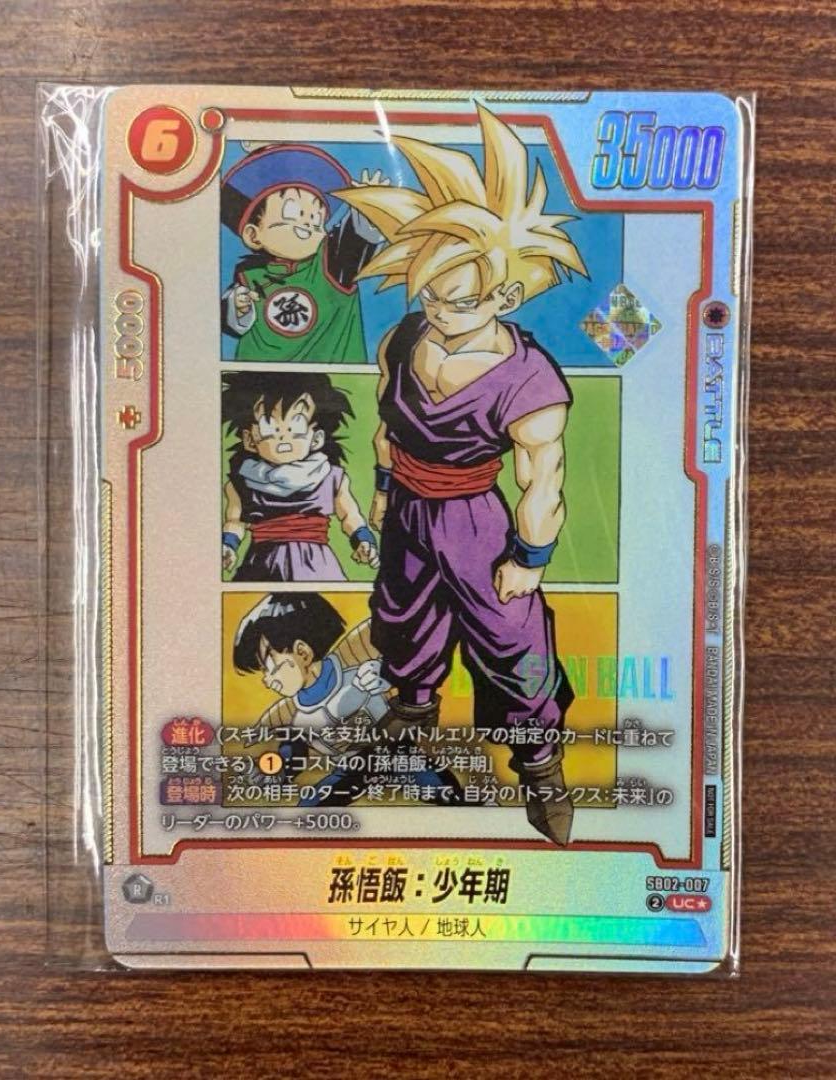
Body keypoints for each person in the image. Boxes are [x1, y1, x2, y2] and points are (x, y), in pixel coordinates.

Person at [334, 104, 589, 844]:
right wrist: (384, 494)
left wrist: (529, 559)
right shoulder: (403, 337)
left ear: (505, 296)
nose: (441, 311)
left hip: (476, 522)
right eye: (430, 294)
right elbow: (386, 428)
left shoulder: (530, 381)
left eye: (462, 299)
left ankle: (540, 768)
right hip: (409, 511)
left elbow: (543, 480)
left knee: (512, 643)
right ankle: (409, 719)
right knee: (402, 623)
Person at [233, 594, 463, 807]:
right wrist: (276, 770)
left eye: (270, 667)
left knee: (445, 792)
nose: (267, 680)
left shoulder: (357, 670)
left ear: (302, 652)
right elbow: (293, 753)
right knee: (309, 806)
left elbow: (409, 656)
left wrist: (388, 674)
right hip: (352, 768)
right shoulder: (295, 715)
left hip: (394, 753)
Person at [221, 143, 387, 361]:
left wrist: (370, 210)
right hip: (258, 376)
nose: (308, 225)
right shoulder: (248, 276)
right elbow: (230, 323)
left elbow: (356, 240)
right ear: (253, 235)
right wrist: (239, 307)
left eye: (316, 220)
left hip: (331, 375)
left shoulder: (330, 264)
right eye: (293, 215)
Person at [222, 371, 378, 582]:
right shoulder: (241, 483)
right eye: (269, 427)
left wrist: (363, 540)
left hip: (316, 566)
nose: (283, 436)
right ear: (249, 439)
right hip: (261, 565)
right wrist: (228, 545)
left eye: (296, 425)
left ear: (317, 438)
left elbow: (350, 515)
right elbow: (235, 521)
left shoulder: (331, 478)